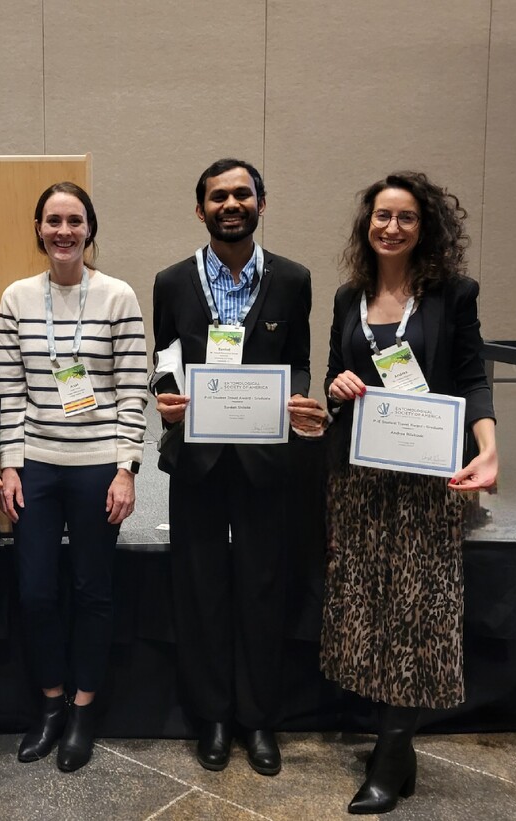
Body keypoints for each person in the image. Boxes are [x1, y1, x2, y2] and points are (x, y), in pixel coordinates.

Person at [322, 171, 497, 815]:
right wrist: (337, 388)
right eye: (381, 215)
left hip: (428, 478)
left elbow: (474, 378)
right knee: (370, 606)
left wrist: (489, 447)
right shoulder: (349, 297)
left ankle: (390, 755)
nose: (390, 226)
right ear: (366, 223)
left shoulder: (452, 295)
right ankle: (401, 747)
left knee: (418, 611)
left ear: (425, 228)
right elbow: (334, 377)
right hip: (360, 477)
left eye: (405, 217)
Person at [152, 158, 325, 776]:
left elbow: (300, 359)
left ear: (261, 203)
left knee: (262, 588)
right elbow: (164, 358)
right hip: (196, 460)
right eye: (218, 196)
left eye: (242, 195)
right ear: (200, 209)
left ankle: (258, 721)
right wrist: (162, 394)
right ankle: (214, 720)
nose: (231, 204)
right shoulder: (171, 281)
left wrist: (299, 397)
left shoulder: (294, 279)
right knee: (198, 589)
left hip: (265, 461)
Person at [0, 181, 148, 772]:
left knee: (92, 589)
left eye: (75, 221)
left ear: (90, 229)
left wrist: (126, 468)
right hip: (35, 464)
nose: (64, 231)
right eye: (53, 221)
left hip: (96, 468)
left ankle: (84, 710)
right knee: (34, 590)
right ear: (39, 229)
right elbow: (9, 390)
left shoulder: (117, 296)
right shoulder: (16, 297)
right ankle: (51, 706)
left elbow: (133, 387)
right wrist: (8, 463)